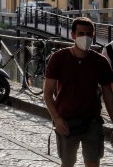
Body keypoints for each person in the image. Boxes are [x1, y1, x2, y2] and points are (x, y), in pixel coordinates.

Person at [44, 17, 113, 167]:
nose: (85, 37)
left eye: (89, 34)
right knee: (67, 164)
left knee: (93, 163)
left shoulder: (100, 61)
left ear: (93, 36)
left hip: (92, 121)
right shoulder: (59, 58)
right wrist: (56, 118)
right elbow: (47, 92)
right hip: (66, 121)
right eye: (81, 33)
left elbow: (108, 95)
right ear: (73, 35)